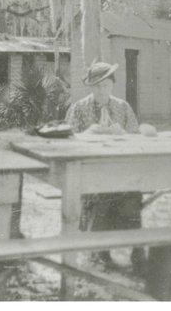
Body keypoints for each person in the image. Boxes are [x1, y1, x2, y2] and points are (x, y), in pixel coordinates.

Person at [65, 61, 146, 274]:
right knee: (100, 200)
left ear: (112, 85)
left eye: (106, 85)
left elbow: (138, 139)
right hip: (90, 175)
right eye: (98, 86)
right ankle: (100, 254)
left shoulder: (123, 107)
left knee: (131, 200)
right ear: (91, 87)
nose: (102, 90)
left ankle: (138, 254)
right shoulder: (79, 108)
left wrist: (124, 135)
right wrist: (87, 134)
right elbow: (65, 140)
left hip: (121, 173)